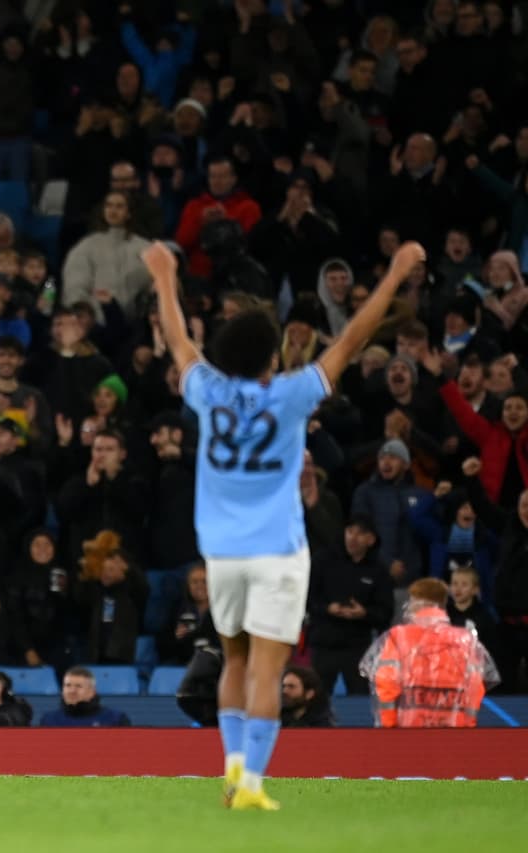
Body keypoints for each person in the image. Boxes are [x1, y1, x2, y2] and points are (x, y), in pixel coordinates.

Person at [141, 238, 426, 809]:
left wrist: (166, 276)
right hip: (277, 551)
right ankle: (251, 786)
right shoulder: (294, 394)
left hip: (221, 554)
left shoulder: (206, 390)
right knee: (270, 669)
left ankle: (231, 770)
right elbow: (351, 339)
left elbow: (177, 340)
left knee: (234, 660)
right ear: (273, 359)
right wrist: (394, 275)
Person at [360, 578, 500, 728]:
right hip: (454, 727)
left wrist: (389, 724)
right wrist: (468, 724)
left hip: (409, 726)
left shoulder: (397, 637)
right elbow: (474, 686)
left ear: (417, 602)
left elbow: (387, 682)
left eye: (411, 600)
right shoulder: (466, 640)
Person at [38, 666, 131, 727]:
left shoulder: (115, 719)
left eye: (78, 686)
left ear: (92, 691)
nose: (72, 691)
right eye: (68, 685)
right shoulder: (49, 720)